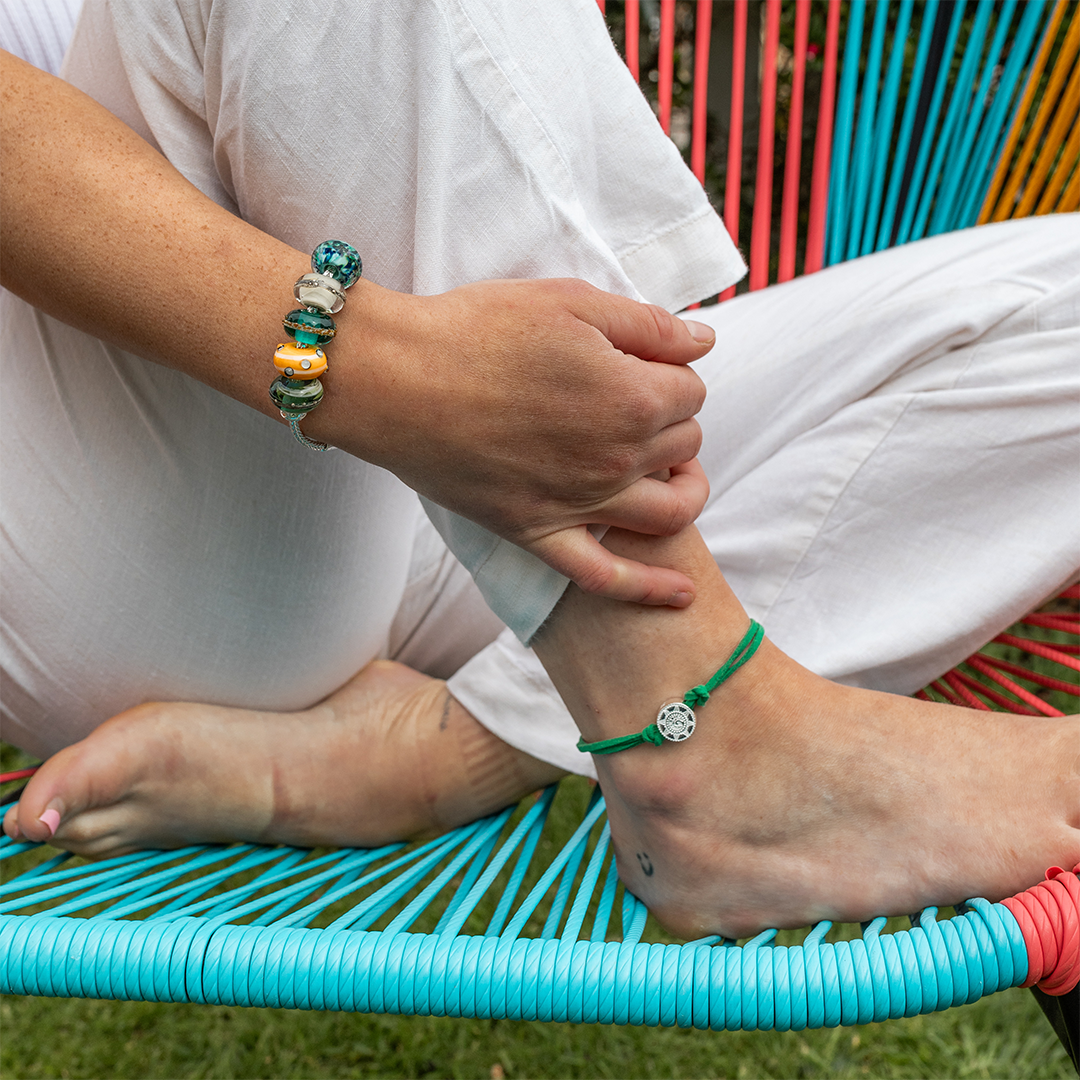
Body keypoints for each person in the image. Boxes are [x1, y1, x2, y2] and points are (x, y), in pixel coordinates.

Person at [4, 0, 1080, 939]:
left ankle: (455, 740)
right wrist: (376, 368)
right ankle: (696, 731)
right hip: (156, 514)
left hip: (461, 465)